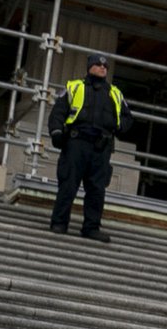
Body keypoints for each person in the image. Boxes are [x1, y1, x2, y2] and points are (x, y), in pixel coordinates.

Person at [49, 50, 130, 239]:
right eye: (98, 64)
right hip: (76, 144)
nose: (102, 68)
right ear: (89, 67)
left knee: (96, 189)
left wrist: (119, 127)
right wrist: (57, 132)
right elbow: (58, 112)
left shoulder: (115, 93)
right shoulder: (74, 87)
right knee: (68, 184)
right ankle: (59, 223)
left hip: (101, 148)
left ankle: (91, 227)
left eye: (105, 66)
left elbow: (127, 118)